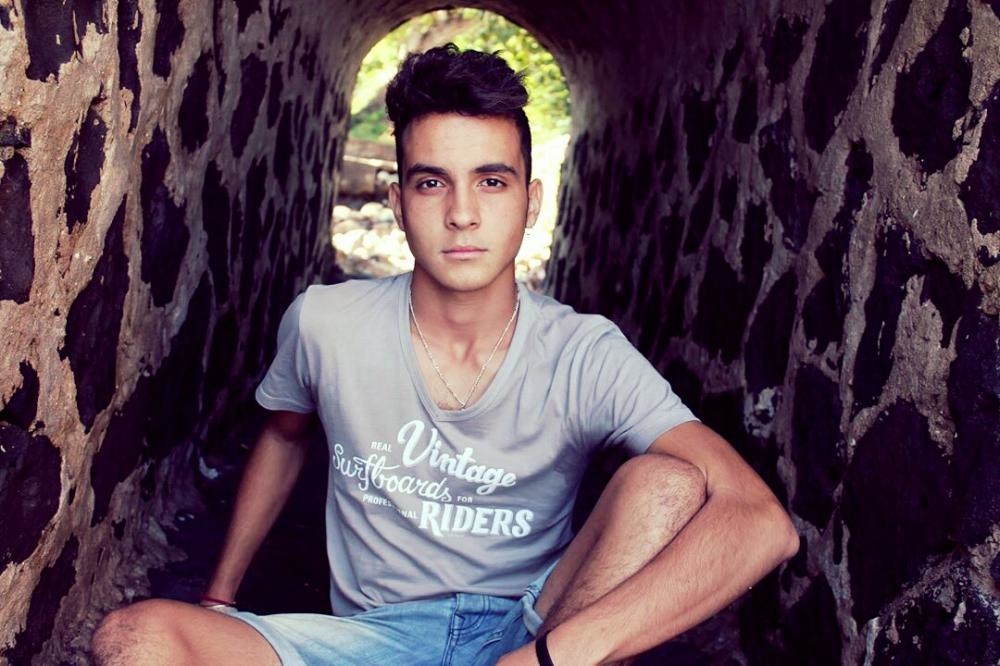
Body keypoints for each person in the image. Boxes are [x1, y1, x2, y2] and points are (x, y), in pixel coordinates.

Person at [92, 44, 798, 666]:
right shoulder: (326, 323)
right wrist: (220, 596)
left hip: (533, 627)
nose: (462, 213)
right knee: (134, 640)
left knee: (667, 483)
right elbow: (283, 436)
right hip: (371, 638)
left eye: (492, 181)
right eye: (432, 183)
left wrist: (554, 656)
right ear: (398, 202)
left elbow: (760, 522)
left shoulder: (585, 353)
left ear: (531, 201)